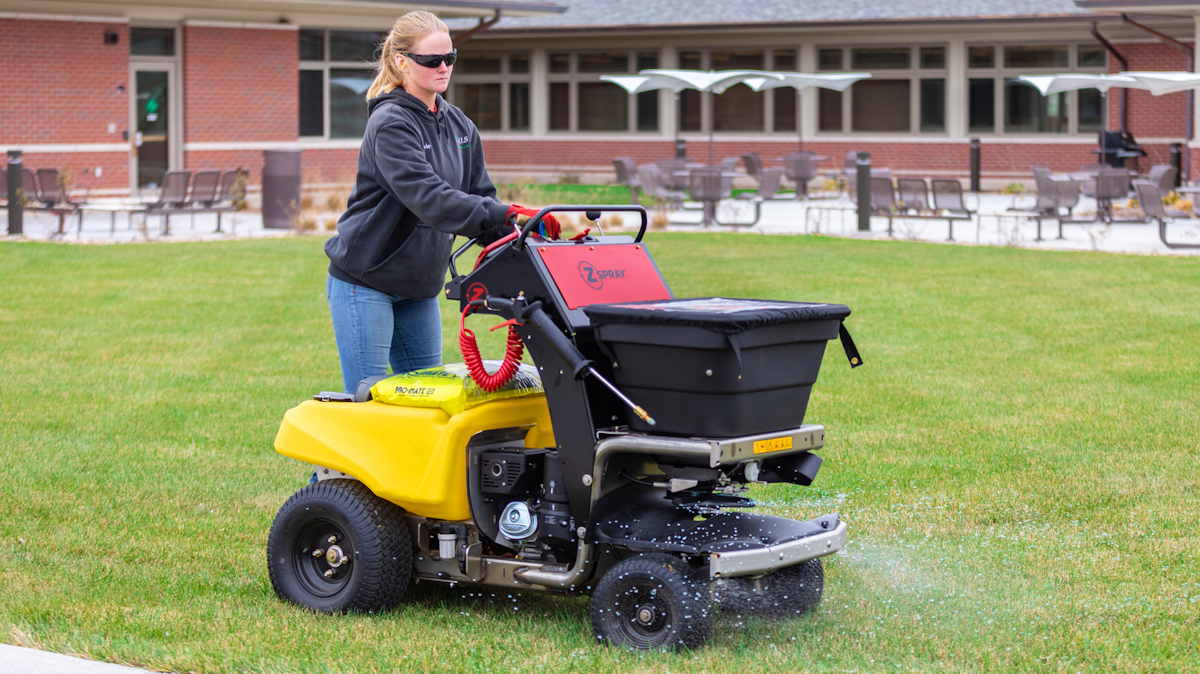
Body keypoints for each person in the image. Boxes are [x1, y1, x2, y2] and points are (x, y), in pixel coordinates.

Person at [324, 11, 559, 394]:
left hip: (419, 286)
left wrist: (524, 230)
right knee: (367, 402)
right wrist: (503, 212)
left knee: (428, 402)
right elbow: (431, 199)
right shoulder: (390, 123)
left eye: (450, 58)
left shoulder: (460, 126)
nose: (443, 67)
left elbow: (481, 199)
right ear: (402, 62)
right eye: (432, 60)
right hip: (365, 282)